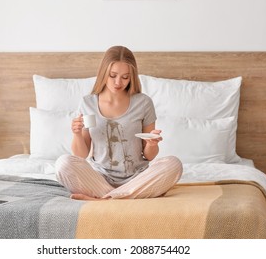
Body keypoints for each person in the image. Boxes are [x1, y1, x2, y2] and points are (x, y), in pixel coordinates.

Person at [55, 46, 182, 200]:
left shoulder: (143, 103)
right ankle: (124, 197)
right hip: (99, 179)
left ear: (132, 77)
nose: (118, 82)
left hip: (137, 178)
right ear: (103, 73)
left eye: (125, 77)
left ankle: (106, 199)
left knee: (174, 164)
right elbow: (81, 155)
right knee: (63, 163)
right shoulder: (88, 103)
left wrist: (152, 144)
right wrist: (77, 134)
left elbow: (149, 156)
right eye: (112, 75)